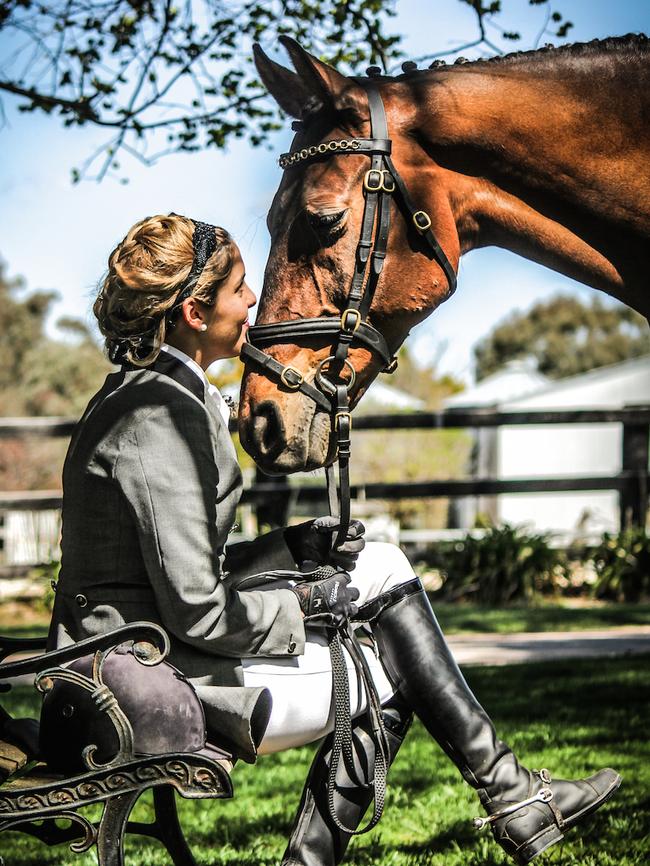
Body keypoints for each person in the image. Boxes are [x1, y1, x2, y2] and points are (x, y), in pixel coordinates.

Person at [48, 212, 619, 866]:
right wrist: (304, 607)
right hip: (141, 679)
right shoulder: (160, 414)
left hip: (146, 650)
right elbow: (197, 607)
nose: (254, 299)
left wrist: (294, 548)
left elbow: (173, 567)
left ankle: (511, 793)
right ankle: (503, 798)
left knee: (381, 563)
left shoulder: (154, 393)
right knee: (394, 679)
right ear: (195, 313)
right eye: (239, 288)